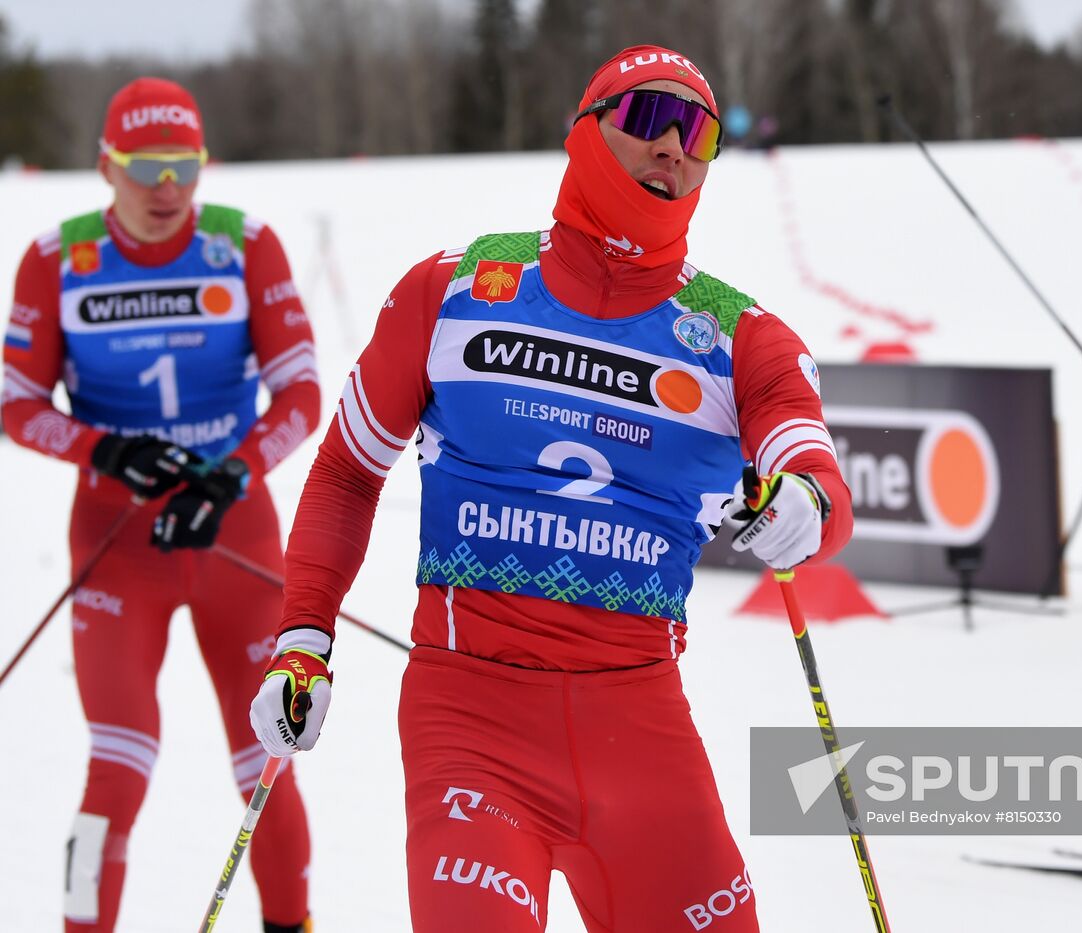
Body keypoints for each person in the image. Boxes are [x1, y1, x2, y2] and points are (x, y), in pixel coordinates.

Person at [247, 45, 852, 931]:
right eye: (648, 118)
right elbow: (346, 469)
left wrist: (808, 500)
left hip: (641, 728)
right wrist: (303, 640)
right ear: (585, 131)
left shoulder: (737, 336)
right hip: (471, 717)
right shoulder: (453, 290)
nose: (673, 146)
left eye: (699, 132)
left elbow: (812, 463)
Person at [1, 77, 320, 932]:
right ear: (107, 166)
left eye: (185, 166)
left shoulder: (244, 244)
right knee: (116, 767)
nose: (167, 188)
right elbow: (15, 402)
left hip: (235, 535)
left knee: (266, 765)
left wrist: (230, 474)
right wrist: (107, 448)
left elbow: (301, 394)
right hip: (118, 543)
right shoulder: (56, 258)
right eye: (146, 167)